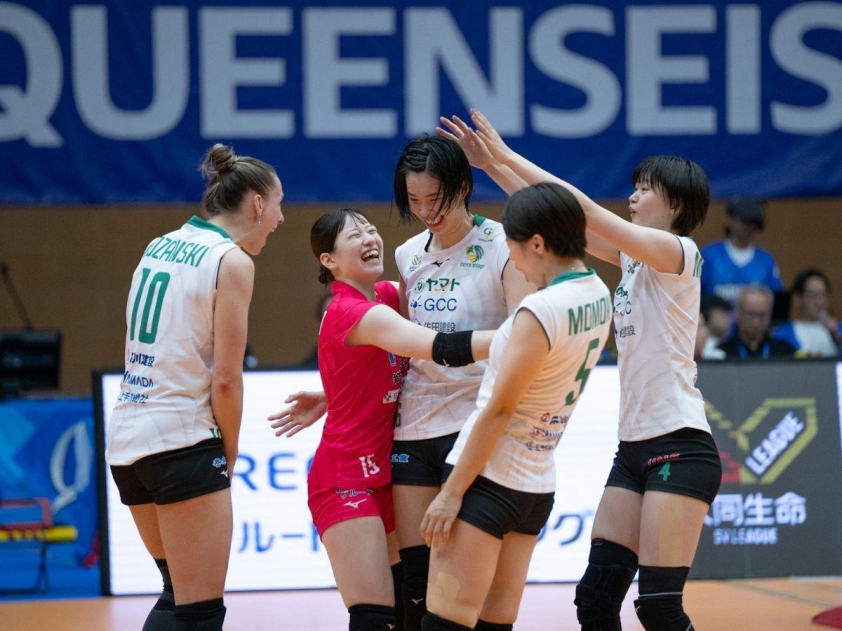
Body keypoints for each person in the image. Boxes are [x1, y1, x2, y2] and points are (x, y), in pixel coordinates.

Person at [439, 109, 723, 631]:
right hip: (633, 448)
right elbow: (558, 219)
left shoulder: (679, 252)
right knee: (594, 601)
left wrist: (504, 152)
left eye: (645, 189)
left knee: (659, 608)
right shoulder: (635, 258)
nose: (633, 196)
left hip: (680, 445)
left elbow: (583, 208)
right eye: (634, 186)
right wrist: (492, 168)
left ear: (676, 205)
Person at [270, 135, 535, 630]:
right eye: (414, 200)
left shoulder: (498, 245)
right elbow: (426, 344)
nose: (425, 211)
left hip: (471, 428)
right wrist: (516, 340)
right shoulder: (406, 258)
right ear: (328, 261)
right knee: (411, 596)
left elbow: (389, 352)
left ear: (462, 186)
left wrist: (334, 394)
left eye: (434, 198)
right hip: (406, 439)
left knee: (461, 597)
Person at [105, 144, 284, 631]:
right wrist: (229, 451)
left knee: (177, 595)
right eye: (279, 204)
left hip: (127, 443)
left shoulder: (159, 244)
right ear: (257, 204)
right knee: (200, 611)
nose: (281, 219)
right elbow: (225, 380)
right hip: (181, 441)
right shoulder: (232, 261)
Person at [419, 182, 612, 631]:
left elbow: (500, 410)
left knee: (444, 623)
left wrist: (451, 493)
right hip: (536, 485)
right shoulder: (599, 294)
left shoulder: (539, 310)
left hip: (487, 479)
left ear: (538, 244)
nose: (514, 260)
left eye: (513, 247)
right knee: (496, 624)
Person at [294, 207, 493, 631]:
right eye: (354, 235)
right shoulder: (355, 311)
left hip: (389, 473)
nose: (369, 238)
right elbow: (440, 347)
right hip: (345, 478)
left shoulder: (385, 295)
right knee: (374, 617)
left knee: (409, 606)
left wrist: (331, 395)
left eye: (370, 229)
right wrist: (528, 334)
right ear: (329, 261)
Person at [699, 198, 783, 305]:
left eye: (754, 223)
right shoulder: (709, 255)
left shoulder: (766, 261)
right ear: (731, 220)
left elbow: (776, 298)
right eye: (745, 222)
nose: (749, 227)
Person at [772, 269, 841, 357]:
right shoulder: (782, 333)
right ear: (797, 298)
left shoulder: (838, 329)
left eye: (823, 295)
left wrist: (837, 338)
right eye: (813, 295)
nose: (820, 301)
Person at [718, 284, 797, 359]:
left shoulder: (785, 353)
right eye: (750, 315)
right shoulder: (721, 354)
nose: (756, 323)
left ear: (770, 315)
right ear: (738, 314)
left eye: (762, 316)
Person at [698, 294, 731, 360]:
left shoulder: (730, 346)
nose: (728, 318)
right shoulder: (701, 348)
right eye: (722, 313)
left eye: (727, 313)